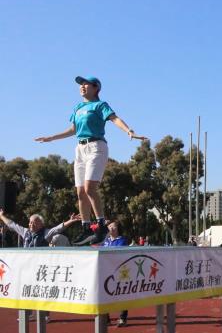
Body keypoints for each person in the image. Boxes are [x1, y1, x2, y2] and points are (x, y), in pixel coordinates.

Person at [35, 76, 148, 246]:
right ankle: (86, 227)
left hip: (96, 146)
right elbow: (73, 129)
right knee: (81, 192)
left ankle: (101, 226)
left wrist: (129, 131)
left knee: (89, 188)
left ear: (96, 88)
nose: (82, 86)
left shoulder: (100, 105)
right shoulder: (78, 107)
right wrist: (51, 137)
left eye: (85, 84)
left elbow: (114, 118)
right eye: (80, 84)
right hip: (80, 149)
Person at [0, 209, 81, 247]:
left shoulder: (46, 233)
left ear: (41, 224)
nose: (31, 224)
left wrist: (70, 221)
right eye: (30, 222)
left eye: (34, 222)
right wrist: (1, 216)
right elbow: (12, 224)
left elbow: (58, 228)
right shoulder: (25, 232)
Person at [101, 221, 130, 326]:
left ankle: (122, 318)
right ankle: (106, 319)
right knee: (104, 294)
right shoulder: (106, 241)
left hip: (120, 271)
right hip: (106, 270)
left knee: (122, 294)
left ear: (118, 229)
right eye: (109, 226)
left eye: (114, 226)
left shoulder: (122, 240)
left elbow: (118, 255)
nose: (111, 228)